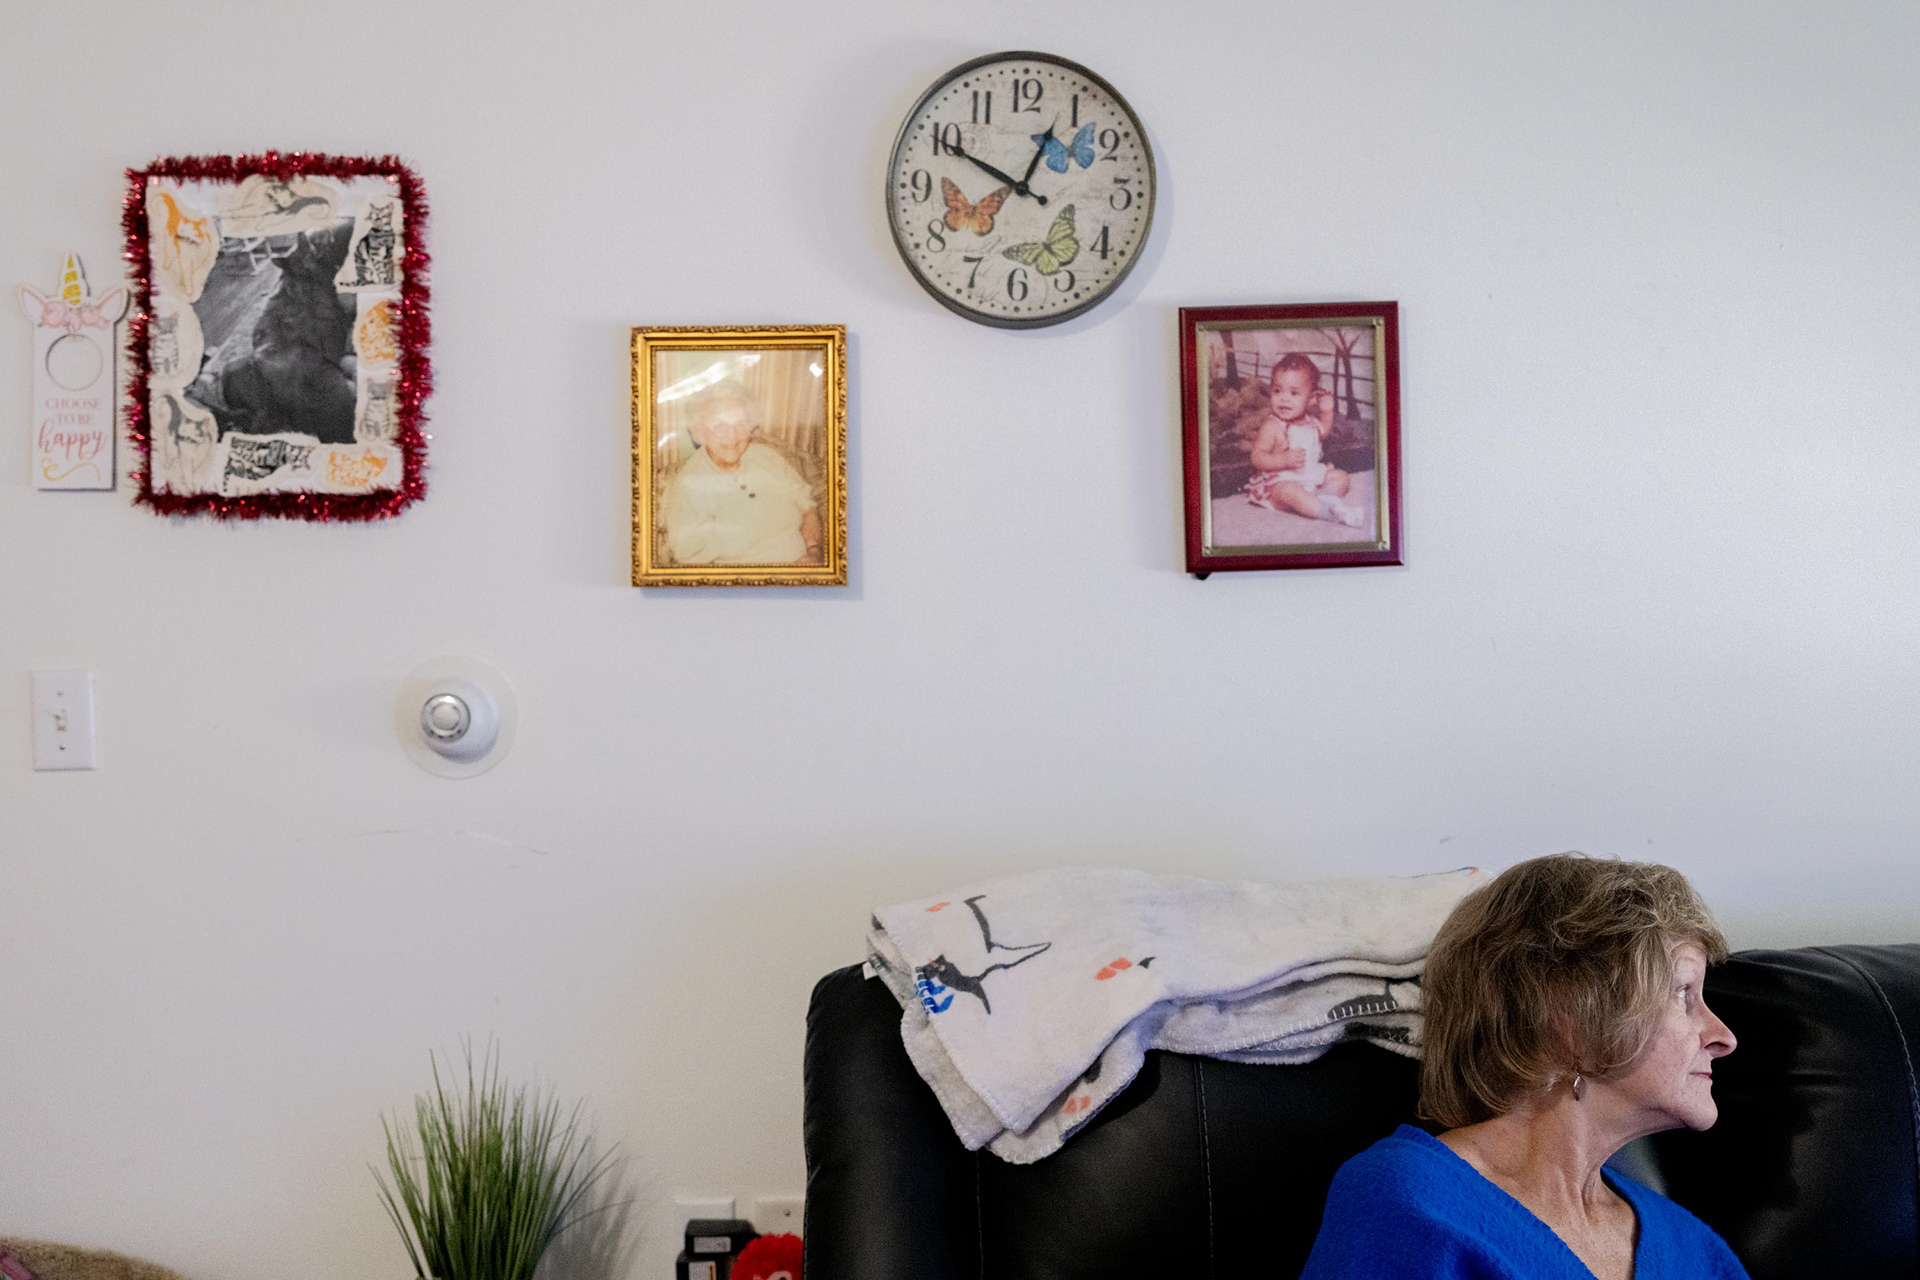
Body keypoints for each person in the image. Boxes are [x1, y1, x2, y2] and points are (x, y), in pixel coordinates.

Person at [1300, 854, 1749, 1280]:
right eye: (1682, 994)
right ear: (1569, 1012)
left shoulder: (1690, 1246)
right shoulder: (1411, 1203)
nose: (1724, 1037)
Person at [661, 385, 822, 565]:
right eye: (720, 427)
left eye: (740, 425)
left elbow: (808, 506)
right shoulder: (689, 486)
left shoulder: (766, 456)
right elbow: (687, 554)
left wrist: (813, 551)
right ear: (699, 434)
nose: (732, 436)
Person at [1243, 354, 1363, 528]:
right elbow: (1257, 457)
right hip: (1279, 484)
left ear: (1311, 398)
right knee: (1291, 492)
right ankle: (1329, 512)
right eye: (1277, 390)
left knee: (1342, 478)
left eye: (1294, 393)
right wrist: (1282, 459)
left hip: (1309, 477)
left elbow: (1323, 432)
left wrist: (1326, 412)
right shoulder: (1273, 426)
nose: (1284, 398)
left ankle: (1323, 498)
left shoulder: (1310, 421)